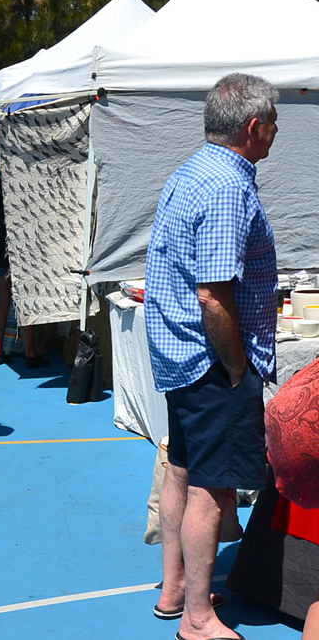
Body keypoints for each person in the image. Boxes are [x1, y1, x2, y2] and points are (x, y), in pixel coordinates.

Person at [146, 73, 279, 640]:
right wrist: (236, 367)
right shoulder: (227, 186)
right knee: (213, 487)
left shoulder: (192, 170)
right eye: (274, 123)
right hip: (210, 360)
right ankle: (199, 620)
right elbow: (213, 291)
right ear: (253, 127)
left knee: (183, 469)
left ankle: (177, 590)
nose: (276, 134)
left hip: (181, 353)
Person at [0, 170, 48, 368]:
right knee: (25, 301)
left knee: (2, 301)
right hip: (22, 250)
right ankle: (30, 354)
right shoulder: (24, 185)